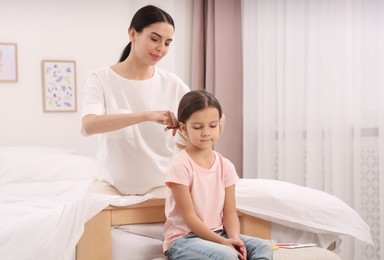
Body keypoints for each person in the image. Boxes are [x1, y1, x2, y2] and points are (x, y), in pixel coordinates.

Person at [81, 5, 190, 195]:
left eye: (167, 43)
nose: (161, 48)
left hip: (162, 184)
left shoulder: (173, 83)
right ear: (133, 34)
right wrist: (145, 116)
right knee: (89, 213)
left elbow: (206, 116)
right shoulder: (101, 78)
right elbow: (88, 125)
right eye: (155, 39)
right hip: (111, 185)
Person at [163, 90, 273, 260]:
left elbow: (230, 213)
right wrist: (222, 243)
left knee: (263, 247)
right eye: (198, 127)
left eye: (212, 125)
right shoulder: (180, 166)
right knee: (226, 255)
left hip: (219, 233)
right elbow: (190, 218)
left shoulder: (226, 166)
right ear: (183, 128)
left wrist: (235, 239)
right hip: (184, 239)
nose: (206, 132)